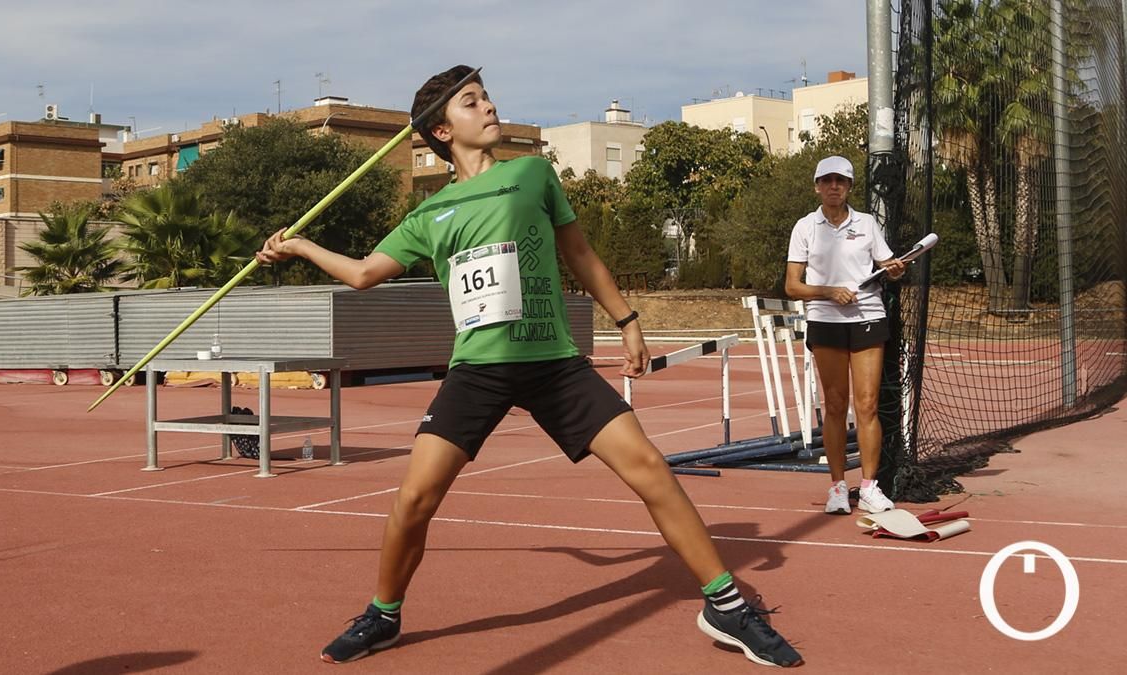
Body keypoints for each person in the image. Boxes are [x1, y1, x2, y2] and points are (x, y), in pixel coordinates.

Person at [256, 65, 802, 668]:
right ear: (441, 130)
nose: (489, 108)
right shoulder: (426, 216)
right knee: (413, 500)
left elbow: (580, 252)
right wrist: (300, 246)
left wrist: (627, 320)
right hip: (478, 371)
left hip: (552, 362)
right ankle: (383, 615)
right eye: (472, 102)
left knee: (650, 466)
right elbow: (362, 274)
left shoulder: (532, 173)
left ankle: (726, 605)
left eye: (487, 97)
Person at [784, 156, 905, 515]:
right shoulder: (805, 227)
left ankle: (869, 487)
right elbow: (792, 286)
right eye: (827, 180)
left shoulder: (867, 224)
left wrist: (894, 270)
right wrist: (829, 291)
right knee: (835, 406)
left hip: (868, 316)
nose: (833, 186)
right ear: (817, 186)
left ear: (850, 187)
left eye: (841, 181)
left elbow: (886, 265)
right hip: (825, 320)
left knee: (867, 405)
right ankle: (838, 487)